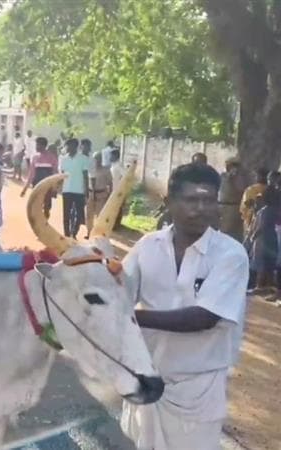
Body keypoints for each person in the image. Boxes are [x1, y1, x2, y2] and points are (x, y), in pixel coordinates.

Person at [122, 162, 248, 450]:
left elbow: (203, 319)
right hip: (149, 380)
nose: (201, 209)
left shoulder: (230, 254)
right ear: (169, 202)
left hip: (198, 388)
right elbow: (120, 293)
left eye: (208, 200)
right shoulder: (147, 246)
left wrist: (132, 318)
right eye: (191, 200)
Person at [245, 186, 279, 296]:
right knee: (269, 264)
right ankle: (268, 286)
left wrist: (253, 236)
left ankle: (259, 286)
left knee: (261, 264)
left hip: (263, 239)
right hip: (272, 238)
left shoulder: (265, 211)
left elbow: (261, 226)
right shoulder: (276, 210)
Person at [20, 137, 58, 218]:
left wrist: (54, 188)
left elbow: (55, 174)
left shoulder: (52, 158)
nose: (36, 147)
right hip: (37, 185)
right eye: (36, 145)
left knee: (47, 206)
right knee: (36, 205)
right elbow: (31, 174)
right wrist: (25, 189)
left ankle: (45, 218)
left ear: (44, 146)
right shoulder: (35, 158)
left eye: (38, 145)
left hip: (47, 185)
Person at [59, 138, 89, 239]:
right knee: (66, 214)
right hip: (66, 190)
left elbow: (85, 175)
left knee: (79, 215)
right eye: (67, 145)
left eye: (70, 145)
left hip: (79, 191)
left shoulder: (83, 158)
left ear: (75, 147)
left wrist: (86, 190)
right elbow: (62, 175)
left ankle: (74, 233)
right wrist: (58, 187)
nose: (67, 148)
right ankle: (67, 235)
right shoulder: (63, 159)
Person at [218, 157, 247, 242]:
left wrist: (235, 177)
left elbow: (241, 188)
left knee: (229, 233)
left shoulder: (239, 177)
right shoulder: (223, 176)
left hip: (232, 206)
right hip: (221, 205)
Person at [85, 152, 112, 239]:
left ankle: (98, 234)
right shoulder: (89, 169)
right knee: (89, 215)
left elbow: (110, 183)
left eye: (99, 158)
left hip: (101, 195)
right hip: (90, 194)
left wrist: (110, 195)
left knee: (100, 216)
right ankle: (89, 232)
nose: (97, 160)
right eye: (95, 158)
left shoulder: (106, 170)